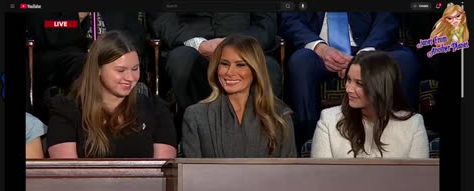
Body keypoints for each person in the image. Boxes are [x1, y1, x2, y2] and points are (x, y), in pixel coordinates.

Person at [281, 12, 420, 150]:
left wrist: (364, 55)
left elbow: (388, 15)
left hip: (370, 46)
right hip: (319, 51)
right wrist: (319, 48)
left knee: (405, 62)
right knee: (300, 63)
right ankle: (310, 143)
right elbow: (290, 18)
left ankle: (400, 140)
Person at [148, 12, 282, 138]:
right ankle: (198, 133)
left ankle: (256, 137)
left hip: (246, 46)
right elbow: (163, 17)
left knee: (269, 69)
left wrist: (240, 45)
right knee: (181, 61)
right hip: (192, 46)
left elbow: (266, 22)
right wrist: (200, 44)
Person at [47, 31, 177, 158]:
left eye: (135, 69)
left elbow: (163, 171)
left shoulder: (156, 110)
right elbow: (67, 173)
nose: (130, 77)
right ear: (97, 69)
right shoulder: (66, 111)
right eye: (120, 70)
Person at [182, 34, 297, 158]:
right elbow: (191, 175)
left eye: (240, 64)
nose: (230, 72)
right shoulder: (196, 116)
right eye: (224, 64)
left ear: (255, 69)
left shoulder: (280, 116)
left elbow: (288, 174)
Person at [26, 12, 146, 123]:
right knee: (88, 65)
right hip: (66, 58)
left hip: (115, 56)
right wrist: (78, 16)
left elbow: (135, 37)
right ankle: (94, 123)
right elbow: (45, 31)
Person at [310, 51, 429, 158]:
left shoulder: (413, 124)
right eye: (349, 80)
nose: (348, 89)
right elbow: (320, 178)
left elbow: (419, 179)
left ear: (379, 87)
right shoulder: (328, 120)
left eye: (359, 83)